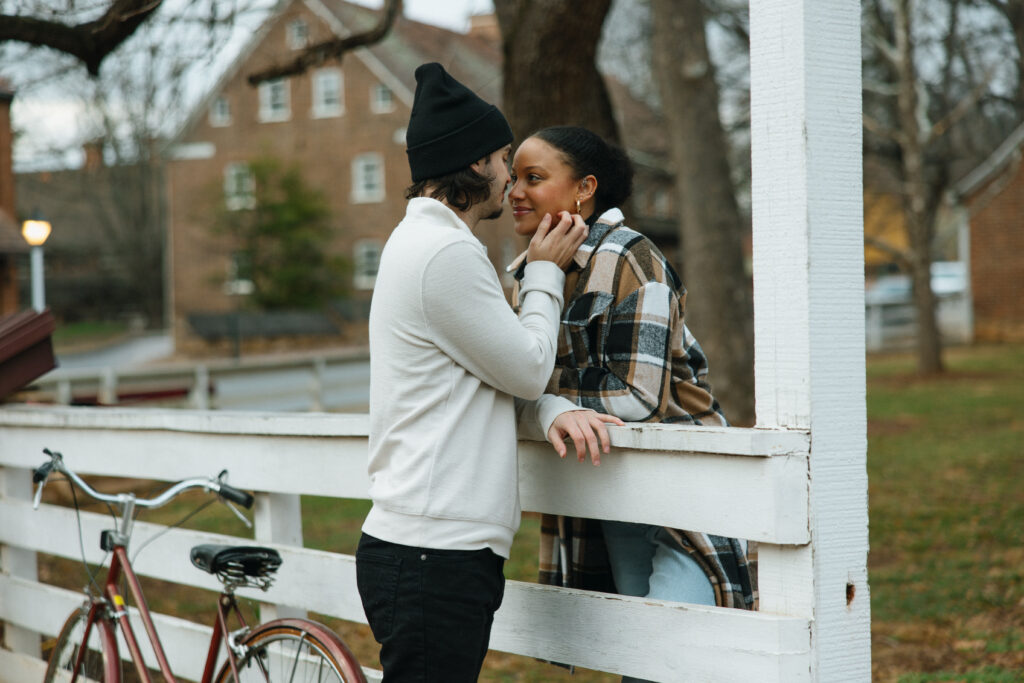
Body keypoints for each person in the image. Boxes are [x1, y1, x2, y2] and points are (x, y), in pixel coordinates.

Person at [355, 65, 614, 683]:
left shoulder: (430, 244)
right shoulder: (442, 253)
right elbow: (526, 367)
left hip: (435, 546)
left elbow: (490, 378)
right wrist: (547, 273)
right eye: (502, 157)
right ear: (474, 166)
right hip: (431, 552)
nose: (509, 176)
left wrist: (553, 410)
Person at [508, 125, 757, 681]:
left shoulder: (630, 258)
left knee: (662, 653)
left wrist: (542, 399)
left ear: (584, 188)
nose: (514, 192)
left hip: (684, 491)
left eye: (534, 178)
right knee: (641, 657)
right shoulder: (529, 275)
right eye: (513, 179)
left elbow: (639, 397)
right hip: (611, 492)